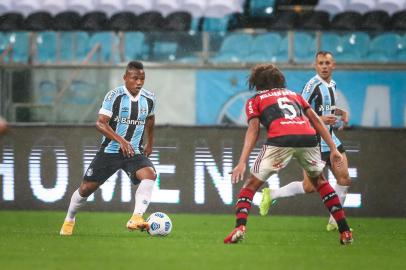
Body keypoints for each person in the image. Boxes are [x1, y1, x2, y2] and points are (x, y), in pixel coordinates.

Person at [223, 63, 353, 245]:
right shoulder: (294, 95)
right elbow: (315, 120)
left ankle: (239, 228)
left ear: (256, 83)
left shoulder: (255, 100)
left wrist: (242, 161)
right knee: (320, 183)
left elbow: (253, 130)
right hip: (308, 138)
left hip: (280, 139)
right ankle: (345, 231)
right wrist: (333, 148)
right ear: (279, 80)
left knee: (250, 185)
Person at [60, 61, 157, 236]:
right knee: (86, 189)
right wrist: (121, 140)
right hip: (110, 151)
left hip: (133, 152)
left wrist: (149, 143)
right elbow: (100, 123)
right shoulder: (114, 96)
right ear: (125, 78)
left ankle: (136, 217)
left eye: (142, 78)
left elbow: (150, 119)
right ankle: (70, 218)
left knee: (150, 174)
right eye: (135, 78)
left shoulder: (149, 98)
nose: (139, 82)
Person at [260, 51, 351, 232]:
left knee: (345, 178)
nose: (324, 66)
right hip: (313, 143)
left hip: (330, 139)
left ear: (333, 65)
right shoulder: (312, 85)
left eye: (327, 63)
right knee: (309, 187)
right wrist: (321, 120)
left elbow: (326, 108)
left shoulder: (332, 84)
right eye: (320, 63)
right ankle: (272, 193)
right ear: (315, 66)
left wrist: (341, 113)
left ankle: (335, 221)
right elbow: (298, 112)